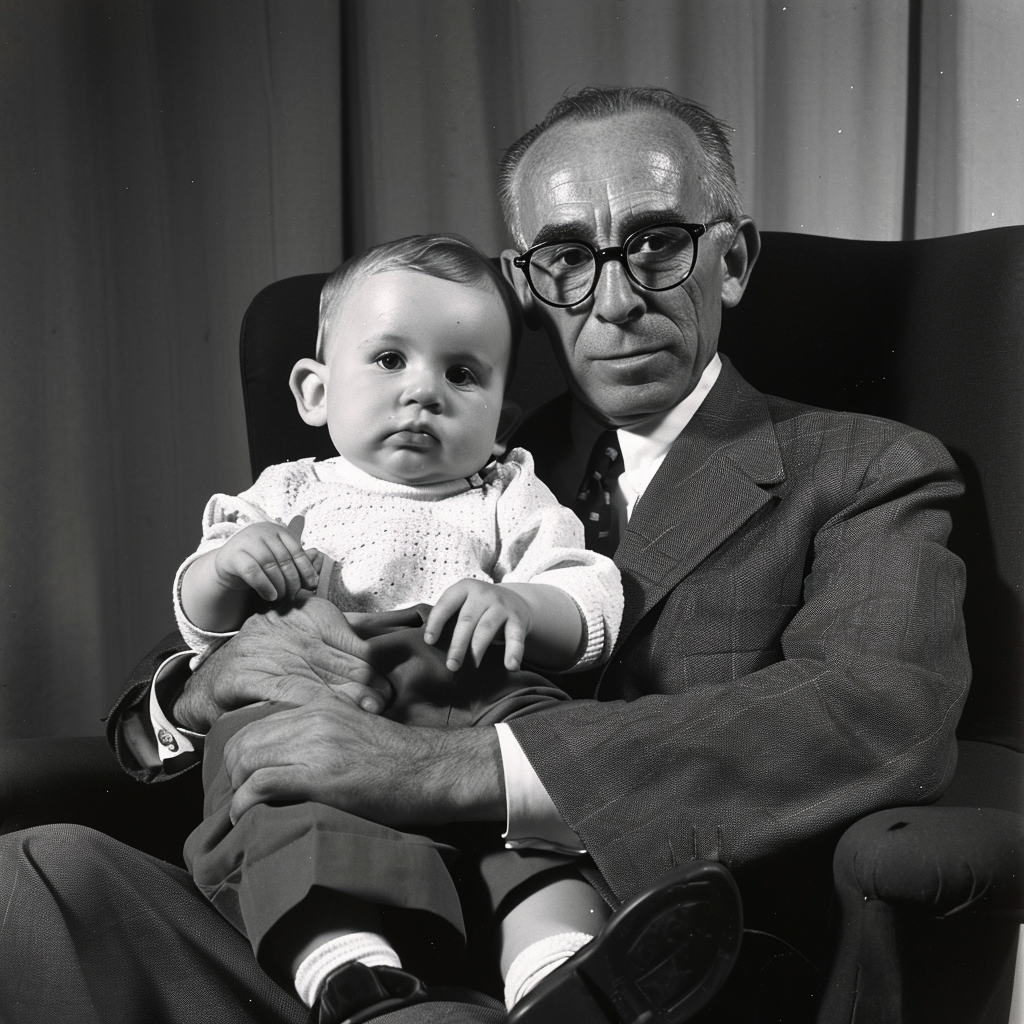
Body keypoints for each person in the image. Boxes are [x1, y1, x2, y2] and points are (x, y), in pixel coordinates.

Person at [0, 86, 969, 1024]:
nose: (616, 298)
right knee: (39, 875)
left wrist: (448, 767)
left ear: (732, 259)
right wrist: (197, 689)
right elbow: (182, 664)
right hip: (333, 907)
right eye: (566, 257)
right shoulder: (430, 458)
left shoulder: (861, 465)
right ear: (526, 283)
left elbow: (877, 711)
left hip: (631, 950)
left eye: (657, 243)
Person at [175, 233, 625, 1021]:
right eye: (389, 360)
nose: (425, 393)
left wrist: (521, 605)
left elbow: (588, 591)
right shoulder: (287, 493)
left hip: (474, 684)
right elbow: (201, 622)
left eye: (462, 374)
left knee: (539, 798)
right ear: (315, 392)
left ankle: (556, 968)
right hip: (326, 700)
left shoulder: (503, 491)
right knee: (273, 789)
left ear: (500, 419)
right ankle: (345, 964)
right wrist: (233, 565)